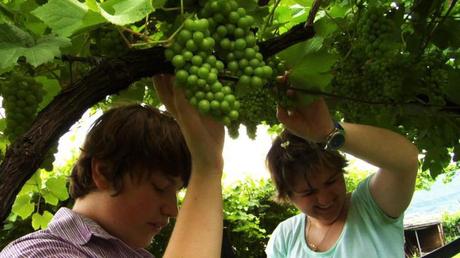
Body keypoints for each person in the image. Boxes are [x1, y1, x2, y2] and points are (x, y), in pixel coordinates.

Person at [0, 74, 225, 258]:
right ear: (104, 172)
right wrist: (207, 168)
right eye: (160, 187)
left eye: (176, 193)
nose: (172, 210)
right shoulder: (36, 254)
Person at [265, 97, 419, 257]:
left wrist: (329, 131)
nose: (325, 199)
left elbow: (406, 160)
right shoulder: (284, 236)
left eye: (331, 181)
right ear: (288, 195)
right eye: (308, 193)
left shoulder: (371, 207)